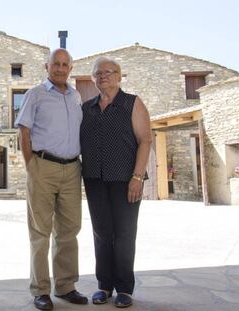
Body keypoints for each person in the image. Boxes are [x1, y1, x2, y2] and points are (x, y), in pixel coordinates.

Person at [15, 48, 88, 310]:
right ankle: (40, 290)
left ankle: (66, 286)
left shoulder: (76, 96)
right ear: (47, 66)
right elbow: (23, 131)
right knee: (40, 232)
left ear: (71, 68)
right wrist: (30, 166)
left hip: (72, 169)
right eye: (55, 64)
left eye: (64, 64)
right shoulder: (35, 94)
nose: (59, 68)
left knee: (69, 231)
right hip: (42, 167)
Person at [80, 57, 152, 308]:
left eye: (110, 72)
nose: (104, 76)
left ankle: (124, 289)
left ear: (120, 76)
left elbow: (145, 140)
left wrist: (137, 177)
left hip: (126, 180)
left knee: (124, 234)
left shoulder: (132, 103)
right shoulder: (86, 108)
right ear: (93, 79)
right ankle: (104, 286)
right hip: (94, 179)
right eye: (98, 73)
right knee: (101, 234)